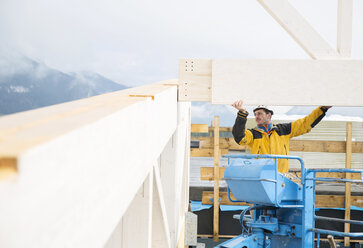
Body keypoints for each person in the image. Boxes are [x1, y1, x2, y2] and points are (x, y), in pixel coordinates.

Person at [231, 100, 332, 173]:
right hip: (260, 177)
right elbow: (240, 137)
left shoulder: (283, 130)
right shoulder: (252, 134)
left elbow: (305, 124)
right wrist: (242, 114)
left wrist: (322, 109)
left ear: (269, 115)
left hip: (281, 177)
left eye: (260, 114)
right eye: (255, 114)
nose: (257, 117)